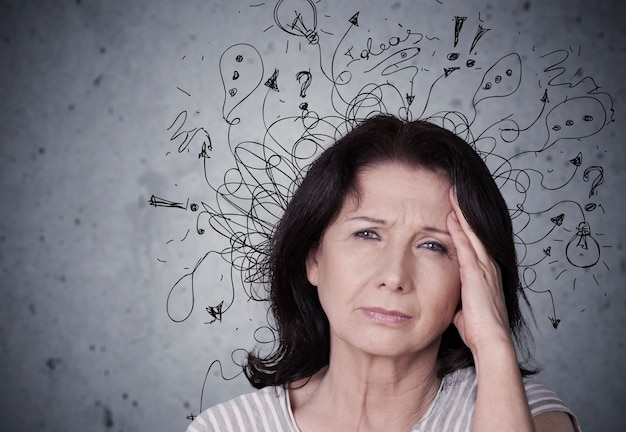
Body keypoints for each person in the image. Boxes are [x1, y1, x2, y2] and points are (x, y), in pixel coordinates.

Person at [187, 115, 580, 431]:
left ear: (473, 276)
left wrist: (494, 344)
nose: (394, 276)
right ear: (313, 260)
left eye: (433, 245)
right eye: (367, 234)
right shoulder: (227, 427)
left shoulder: (525, 413)